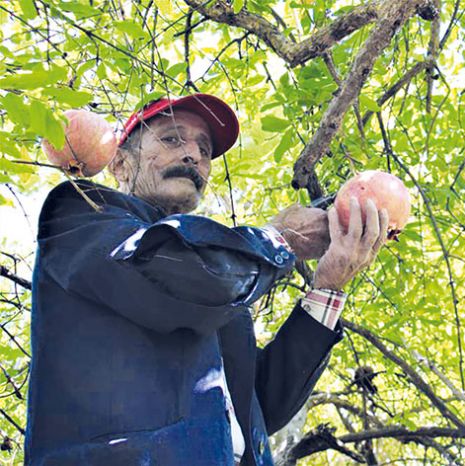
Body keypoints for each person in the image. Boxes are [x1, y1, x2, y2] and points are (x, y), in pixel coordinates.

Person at [25, 94, 389, 466]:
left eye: (204, 149)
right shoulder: (81, 211)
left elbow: (261, 403)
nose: (193, 155)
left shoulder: (215, 276)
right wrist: (278, 240)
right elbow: (166, 271)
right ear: (119, 163)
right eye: (171, 139)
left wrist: (328, 286)